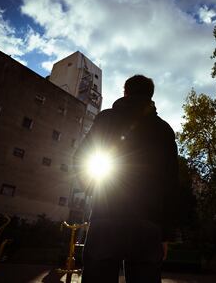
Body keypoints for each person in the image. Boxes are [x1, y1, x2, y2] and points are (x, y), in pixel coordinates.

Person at [74, 75, 179, 283]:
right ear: (151, 96)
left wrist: (92, 191)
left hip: (106, 216)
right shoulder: (164, 130)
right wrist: (166, 234)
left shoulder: (105, 119)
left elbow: (80, 158)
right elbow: (171, 185)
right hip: (148, 224)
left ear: (125, 92)